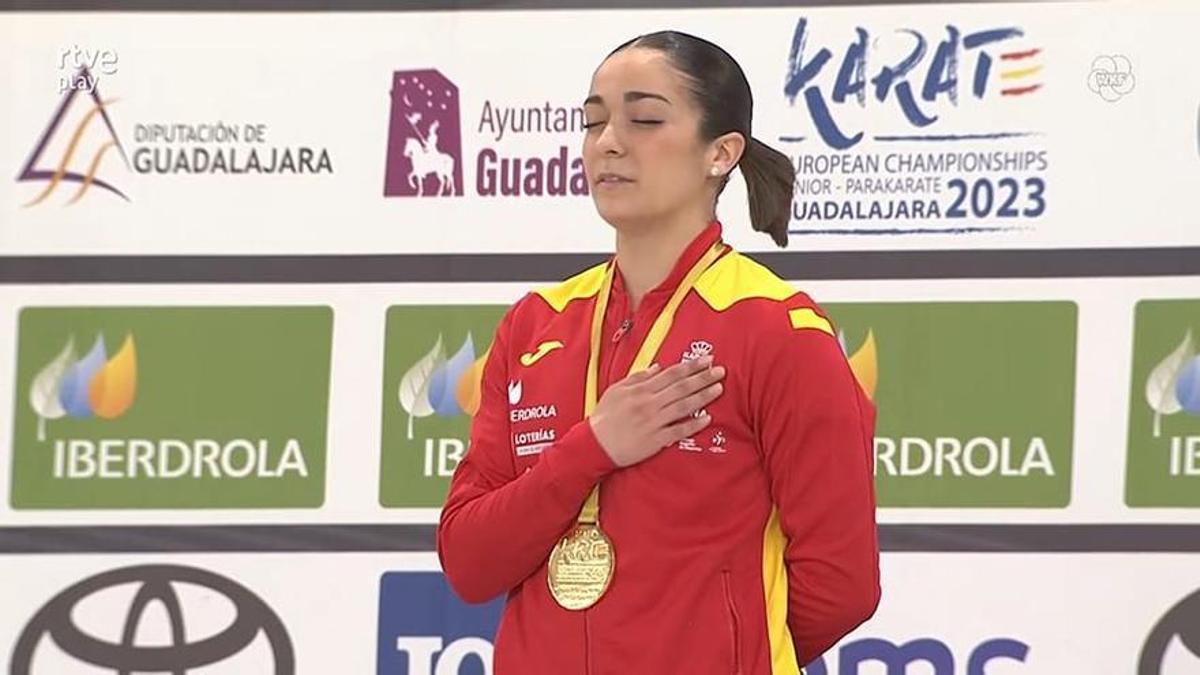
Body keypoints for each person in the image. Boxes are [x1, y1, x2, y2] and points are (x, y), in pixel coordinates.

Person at [437, 30, 880, 674]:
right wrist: (591, 449)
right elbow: (471, 562)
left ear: (721, 153)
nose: (608, 142)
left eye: (644, 119)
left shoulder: (777, 330)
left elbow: (842, 584)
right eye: (594, 123)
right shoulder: (536, 325)